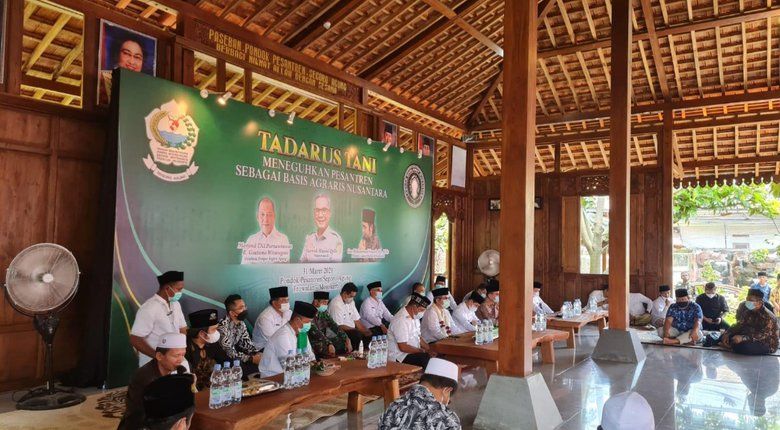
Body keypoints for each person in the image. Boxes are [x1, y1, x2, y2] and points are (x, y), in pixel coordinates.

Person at [118, 333, 188, 430]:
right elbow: (141, 416)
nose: (180, 360)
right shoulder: (145, 378)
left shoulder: (179, 370)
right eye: (176, 356)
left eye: (183, 355)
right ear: (159, 356)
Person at [379, 358, 461, 430]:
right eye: (449, 399)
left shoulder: (393, 407)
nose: (446, 403)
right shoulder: (447, 418)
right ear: (447, 390)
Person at [130, 271, 188, 367]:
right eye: (178, 289)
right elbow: (135, 339)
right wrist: (158, 357)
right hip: (153, 364)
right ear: (167, 288)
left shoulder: (176, 304)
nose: (180, 293)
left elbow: (183, 329)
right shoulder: (149, 308)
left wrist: (180, 352)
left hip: (174, 362)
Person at [259, 301, 318, 377]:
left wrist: (319, 366)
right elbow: (289, 366)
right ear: (297, 320)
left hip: (295, 375)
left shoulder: (302, 334)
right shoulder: (282, 336)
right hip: (274, 378)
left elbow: (310, 357)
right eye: (308, 322)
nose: (309, 325)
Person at [720, 289, 779, 355]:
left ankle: (731, 345)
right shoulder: (749, 311)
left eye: (750, 300)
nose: (747, 302)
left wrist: (743, 338)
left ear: (760, 302)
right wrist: (728, 333)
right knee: (725, 336)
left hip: (766, 343)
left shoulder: (769, 316)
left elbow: (763, 334)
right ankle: (730, 343)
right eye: (747, 299)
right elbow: (739, 324)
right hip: (750, 336)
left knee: (745, 347)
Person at [217, 294, 261, 374]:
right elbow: (229, 352)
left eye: (245, 306)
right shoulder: (222, 327)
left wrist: (258, 354)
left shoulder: (241, 324)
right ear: (232, 313)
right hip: (223, 361)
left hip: (234, 357)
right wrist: (251, 359)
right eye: (241, 308)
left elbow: (247, 344)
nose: (245, 309)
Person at [388, 293, 434, 368]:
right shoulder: (401, 320)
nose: (422, 313)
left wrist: (429, 349)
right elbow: (403, 347)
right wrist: (422, 351)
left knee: (433, 356)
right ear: (414, 307)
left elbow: (418, 337)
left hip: (413, 352)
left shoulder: (415, 317)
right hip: (399, 357)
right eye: (421, 310)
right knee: (425, 359)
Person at [185, 309, 227, 391]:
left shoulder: (212, 343)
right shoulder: (185, 348)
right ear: (202, 333)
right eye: (214, 329)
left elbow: (224, 360)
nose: (216, 332)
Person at [240, 197, 291, 264]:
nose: (266, 219)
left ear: (274, 216)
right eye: (262, 214)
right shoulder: (251, 241)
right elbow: (245, 270)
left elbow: (282, 270)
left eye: (269, 215)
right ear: (257, 217)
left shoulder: (283, 240)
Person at [100, 35, 145, 104]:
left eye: (137, 57)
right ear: (116, 55)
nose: (131, 62)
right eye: (126, 54)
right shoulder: (102, 78)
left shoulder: (145, 88)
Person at [308, 291, 352, 358]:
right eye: (324, 302)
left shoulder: (323, 312)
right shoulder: (309, 313)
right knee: (325, 348)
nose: (326, 305)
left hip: (325, 336)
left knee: (342, 343)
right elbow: (316, 333)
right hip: (314, 339)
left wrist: (346, 338)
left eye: (327, 302)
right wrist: (329, 343)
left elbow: (333, 325)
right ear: (316, 302)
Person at [328, 282, 372, 349]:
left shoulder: (351, 302)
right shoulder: (336, 304)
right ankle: (355, 354)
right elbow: (338, 326)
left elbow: (356, 320)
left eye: (354, 296)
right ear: (344, 293)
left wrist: (365, 330)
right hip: (338, 331)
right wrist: (356, 330)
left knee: (368, 333)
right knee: (356, 334)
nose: (352, 298)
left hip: (351, 329)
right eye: (351, 296)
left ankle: (364, 353)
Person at [300, 194, 343, 262]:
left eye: (324, 210)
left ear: (329, 213)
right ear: (314, 213)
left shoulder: (336, 240)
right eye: (317, 210)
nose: (320, 215)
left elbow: (335, 269)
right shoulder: (309, 239)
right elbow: (301, 264)